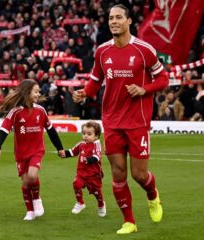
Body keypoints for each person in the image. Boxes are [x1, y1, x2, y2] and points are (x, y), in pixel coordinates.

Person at [73, 4, 168, 234]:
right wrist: (85, 92)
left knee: (139, 174)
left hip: (138, 122)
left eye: (118, 18)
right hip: (113, 121)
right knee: (117, 173)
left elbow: (163, 78)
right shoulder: (102, 51)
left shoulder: (144, 50)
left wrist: (144, 89)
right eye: (111, 18)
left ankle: (153, 195)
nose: (113, 21)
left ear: (128, 22)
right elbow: (95, 80)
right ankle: (129, 221)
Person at [0, 79, 65, 221]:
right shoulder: (15, 112)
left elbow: (51, 131)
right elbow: (3, 130)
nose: (38, 94)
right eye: (36, 91)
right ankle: (30, 211)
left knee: (32, 176)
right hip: (21, 153)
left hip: (37, 150)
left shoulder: (40, 110)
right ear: (27, 93)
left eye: (39, 91)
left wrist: (60, 148)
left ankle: (37, 201)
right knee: (25, 183)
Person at [61, 121, 106, 217]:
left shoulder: (96, 144)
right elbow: (72, 151)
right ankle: (80, 203)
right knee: (76, 184)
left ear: (96, 136)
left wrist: (89, 159)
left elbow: (97, 156)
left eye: (89, 134)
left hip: (93, 175)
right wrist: (64, 153)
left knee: (97, 193)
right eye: (84, 133)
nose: (85, 136)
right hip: (81, 173)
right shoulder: (81, 144)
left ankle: (101, 205)